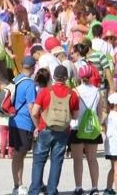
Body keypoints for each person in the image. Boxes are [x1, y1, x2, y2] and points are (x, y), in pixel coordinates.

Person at [28, 65, 79, 195]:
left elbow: (34, 112)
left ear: (54, 77)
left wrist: (38, 126)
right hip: (63, 131)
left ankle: (34, 191)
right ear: (66, 78)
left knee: (39, 161)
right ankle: (51, 191)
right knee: (57, 161)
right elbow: (76, 116)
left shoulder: (44, 91)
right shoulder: (72, 94)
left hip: (45, 128)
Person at [71, 62, 103, 195]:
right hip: (92, 128)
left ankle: (78, 187)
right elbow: (100, 112)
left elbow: (72, 109)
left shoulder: (75, 91)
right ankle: (95, 187)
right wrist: (99, 124)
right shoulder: (97, 91)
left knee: (77, 159)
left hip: (77, 126)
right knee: (92, 159)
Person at [9, 56, 37, 195]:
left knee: (17, 154)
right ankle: (19, 185)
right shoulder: (30, 84)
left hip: (13, 120)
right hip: (25, 123)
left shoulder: (16, 79)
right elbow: (31, 107)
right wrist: (37, 125)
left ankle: (17, 184)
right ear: (33, 67)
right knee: (21, 154)